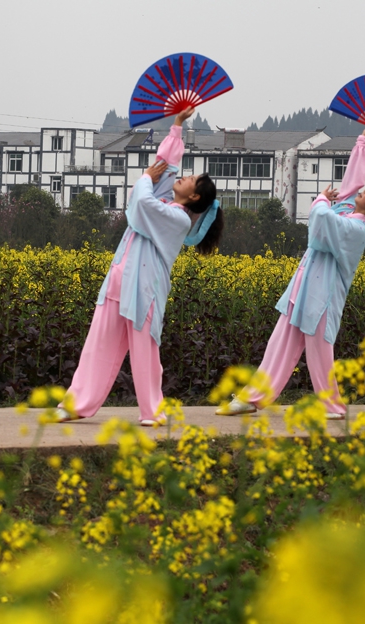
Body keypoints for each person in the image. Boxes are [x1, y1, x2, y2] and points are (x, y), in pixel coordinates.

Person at [216, 123, 365, 420]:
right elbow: (353, 180)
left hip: (322, 299)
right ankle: (255, 397)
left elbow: (320, 219)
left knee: (320, 355)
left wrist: (322, 199)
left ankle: (332, 406)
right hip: (304, 290)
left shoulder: (355, 228)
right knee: (278, 346)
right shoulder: (348, 212)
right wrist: (362, 141)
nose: (362, 191)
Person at [59, 107, 223, 427]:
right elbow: (169, 165)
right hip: (120, 279)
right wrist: (176, 126)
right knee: (97, 345)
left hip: (144, 288)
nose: (183, 177)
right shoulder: (167, 201)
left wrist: (147, 177)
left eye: (190, 179)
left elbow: (142, 201)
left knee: (145, 351)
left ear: (194, 195)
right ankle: (76, 403)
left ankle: (153, 410)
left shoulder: (177, 218)